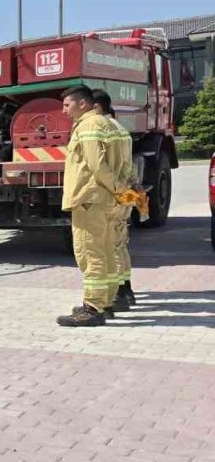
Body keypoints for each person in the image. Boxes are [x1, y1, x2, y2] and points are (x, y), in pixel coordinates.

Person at [58, 85, 127, 327]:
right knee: (107, 251)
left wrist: (118, 190)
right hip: (105, 200)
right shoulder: (111, 125)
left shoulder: (87, 126)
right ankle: (105, 303)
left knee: (90, 253)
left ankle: (92, 308)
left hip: (89, 199)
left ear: (83, 104)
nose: (64, 110)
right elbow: (123, 164)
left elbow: (97, 166)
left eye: (67, 105)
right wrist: (122, 194)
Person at [91, 89, 138, 311]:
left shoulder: (101, 129)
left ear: (96, 107)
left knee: (110, 245)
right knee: (120, 242)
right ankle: (126, 290)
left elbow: (100, 167)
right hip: (126, 192)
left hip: (111, 193)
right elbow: (130, 165)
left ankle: (119, 293)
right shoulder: (122, 131)